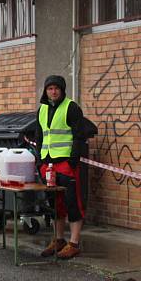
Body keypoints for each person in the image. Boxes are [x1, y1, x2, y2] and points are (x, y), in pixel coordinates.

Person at [34, 75, 92, 260]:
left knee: (72, 201)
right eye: (50, 88)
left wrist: (73, 161)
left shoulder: (71, 107)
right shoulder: (42, 109)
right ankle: (58, 240)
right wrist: (40, 162)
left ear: (62, 90)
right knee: (54, 204)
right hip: (48, 164)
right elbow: (40, 136)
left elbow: (79, 136)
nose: (53, 91)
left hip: (66, 164)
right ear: (45, 91)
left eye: (56, 88)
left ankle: (73, 243)